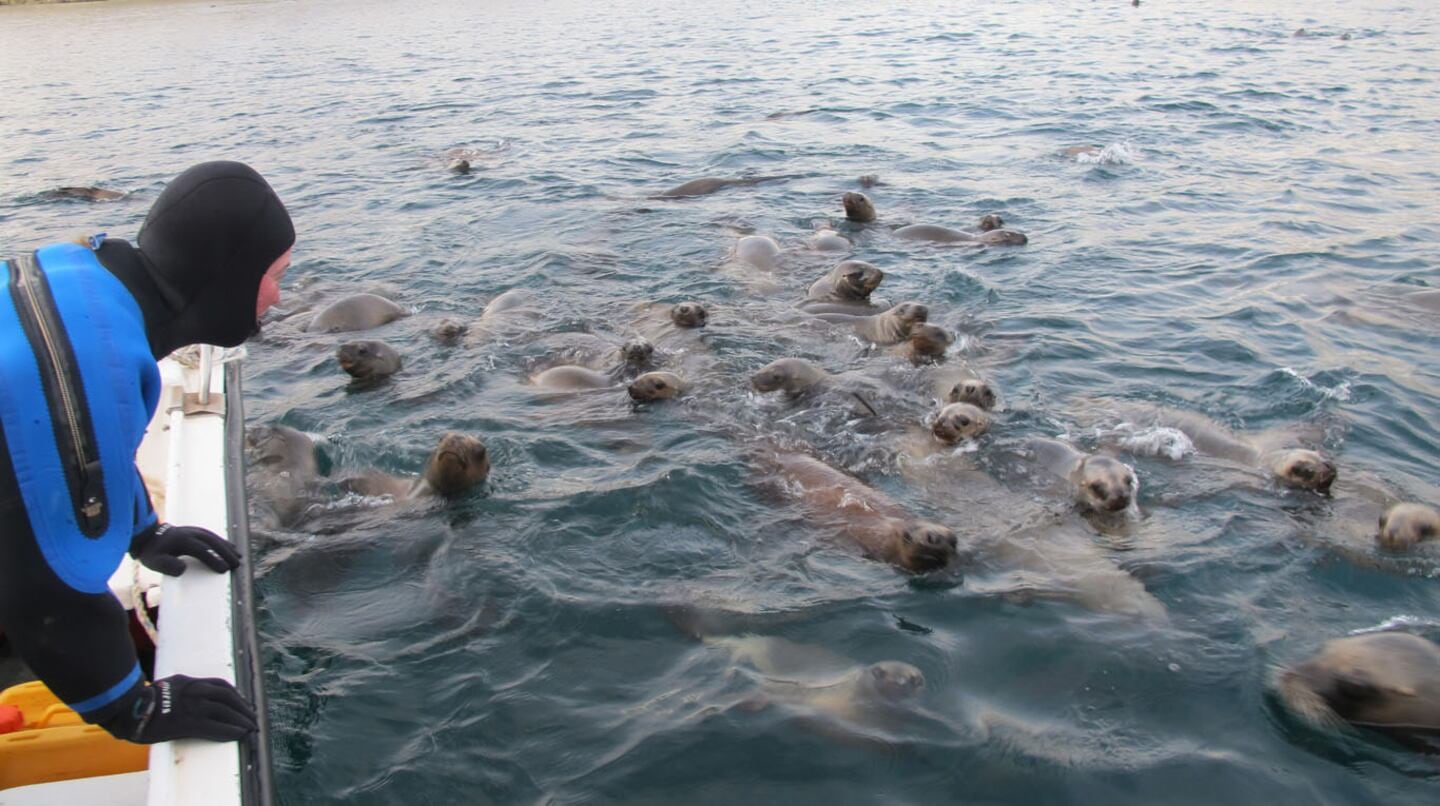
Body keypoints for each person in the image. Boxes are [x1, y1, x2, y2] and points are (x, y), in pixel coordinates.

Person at [0, 161, 294, 743]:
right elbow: (43, 586)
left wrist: (143, 533)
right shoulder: (87, 368)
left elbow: (89, 452)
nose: (280, 296)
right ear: (229, 273)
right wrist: (130, 705)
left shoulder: (84, 275)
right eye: (276, 274)